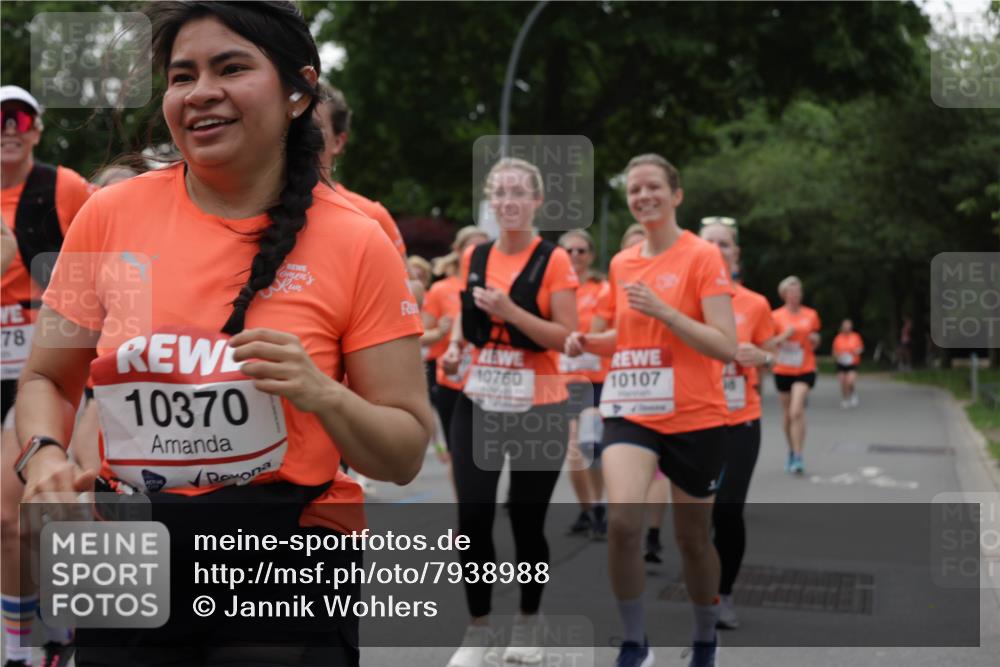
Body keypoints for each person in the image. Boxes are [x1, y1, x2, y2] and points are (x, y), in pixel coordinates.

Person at [14, 4, 434, 666]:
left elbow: (404, 453)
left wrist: (323, 394)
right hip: (122, 541)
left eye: (231, 67)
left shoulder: (358, 240)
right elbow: (47, 377)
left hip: (286, 549)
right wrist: (42, 457)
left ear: (299, 92)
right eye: (183, 76)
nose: (201, 91)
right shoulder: (109, 216)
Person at [567, 153, 736, 667]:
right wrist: (588, 343)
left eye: (653, 187)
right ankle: (635, 642)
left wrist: (665, 311)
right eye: (634, 189)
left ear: (676, 195)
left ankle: (704, 639)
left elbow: (725, 345)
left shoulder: (703, 257)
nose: (643, 196)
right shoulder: (624, 262)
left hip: (696, 414)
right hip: (632, 408)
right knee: (623, 524)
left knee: (693, 539)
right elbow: (628, 337)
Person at [439, 157, 577, 667]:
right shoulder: (475, 254)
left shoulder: (553, 260)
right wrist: (456, 346)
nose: (508, 201)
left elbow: (566, 338)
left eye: (519, 192)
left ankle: (527, 620)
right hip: (479, 399)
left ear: (537, 201)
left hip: (539, 406)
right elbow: (466, 312)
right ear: (490, 201)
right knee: (472, 516)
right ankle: (478, 629)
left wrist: (512, 312)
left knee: (526, 520)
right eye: (500, 192)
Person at [1, 84, 95, 667]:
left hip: (47, 370)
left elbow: (108, 267)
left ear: (36, 128)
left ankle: (45, 639)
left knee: (21, 513)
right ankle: (32, 639)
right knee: (11, 521)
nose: (8, 129)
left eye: (19, 118)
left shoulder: (65, 189)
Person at [699, 218, 776, 631]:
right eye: (709, 242)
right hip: (694, 417)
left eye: (724, 244)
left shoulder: (755, 304)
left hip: (740, 419)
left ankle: (723, 592)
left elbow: (770, 355)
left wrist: (760, 357)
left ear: (736, 253)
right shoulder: (684, 299)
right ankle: (703, 586)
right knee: (698, 515)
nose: (716, 249)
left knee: (728, 509)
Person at [313, 83, 407, 260]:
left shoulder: (371, 216)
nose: (299, 137)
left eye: (313, 128)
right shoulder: (259, 207)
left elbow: (406, 278)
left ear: (338, 142)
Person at [557, 229, 610, 539]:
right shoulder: (552, 289)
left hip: (595, 380)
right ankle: (589, 508)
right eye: (569, 251)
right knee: (573, 451)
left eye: (581, 250)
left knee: (590, 447)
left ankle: (597, 506)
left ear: (590, 255)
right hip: (561, 379)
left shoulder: (602, 289)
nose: (575, 256)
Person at [422, 226, 488, 461]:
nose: (478, 251)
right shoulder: (441, 289)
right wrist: (441, 332)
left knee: (485, 449)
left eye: (483, 247)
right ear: (458, 251)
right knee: (458, 449)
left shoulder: (494, 284)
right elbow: (421, 332)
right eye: (472, 246)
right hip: (450, 376)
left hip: (487, 377)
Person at [770, 276, 821, 475]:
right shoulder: (775, 316)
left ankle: (798, 455)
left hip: (805, 368)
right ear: (784, 294)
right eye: (791, 292)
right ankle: (791, 450)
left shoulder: (811, 314)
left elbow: (816, 338)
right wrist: (784, 336)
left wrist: (815, 339)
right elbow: (768, 342)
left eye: (798, 292)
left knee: (796, 411)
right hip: (783, 369)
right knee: (787, 414)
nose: (795, 295)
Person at [832, 319, 864, 408]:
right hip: (841, 363)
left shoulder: (856, 336)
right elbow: (834, 351)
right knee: (843, 382)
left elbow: (860, 348)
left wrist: (856, 351)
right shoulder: (838, 338)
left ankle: (853, 393)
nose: (847, 328)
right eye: (845, 326)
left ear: (851, 327)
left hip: (852, 363)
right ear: (842, 327)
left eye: (848, 326)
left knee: (850, 381)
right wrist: (838, 355)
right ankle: (845, 398)